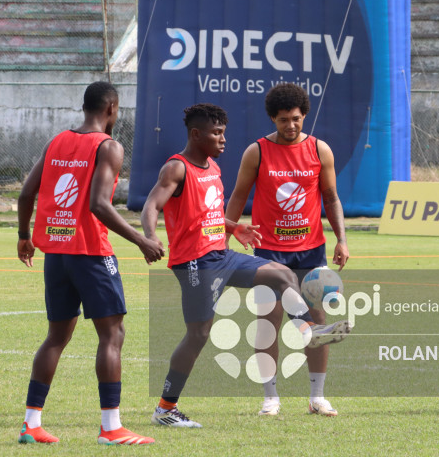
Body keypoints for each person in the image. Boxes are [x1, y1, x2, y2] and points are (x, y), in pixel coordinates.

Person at [142, 103, 351, 428]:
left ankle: (311, 331)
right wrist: (149, 237)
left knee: (281, 276)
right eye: (216, 134)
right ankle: (166, 409)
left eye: (224, 133)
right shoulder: (176, 168)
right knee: (198, 335)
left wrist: (232, 227)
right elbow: (151, 205)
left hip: (222, 255)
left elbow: (206, 215)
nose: (223, 140)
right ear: (196, 135)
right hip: (196, 262)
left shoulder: (211, 166)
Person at [16, 81, 164, 445]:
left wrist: (24, 236)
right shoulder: (108, 146)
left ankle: (31, 425)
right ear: (112, 108)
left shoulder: (57, 142)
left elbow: (25, 193)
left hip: (56, 254)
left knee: (56, 336)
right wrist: (141, 240)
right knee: (112, 335)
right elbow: (99, 204)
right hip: (91, 254)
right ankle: (111, 428)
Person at [225, 83, 350, 417]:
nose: (291, 126)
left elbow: (331, 197)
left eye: (296, 119)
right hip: (268, 251)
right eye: (283, 120)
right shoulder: (257, 152)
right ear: (272, 118)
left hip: (311, 250)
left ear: (304, 115)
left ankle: (317, 396)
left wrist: (341, 238)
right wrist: (225, 233)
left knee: (317, 319)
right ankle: (270, 397)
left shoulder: (320, 150)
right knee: (269, 320)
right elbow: (238, 195)